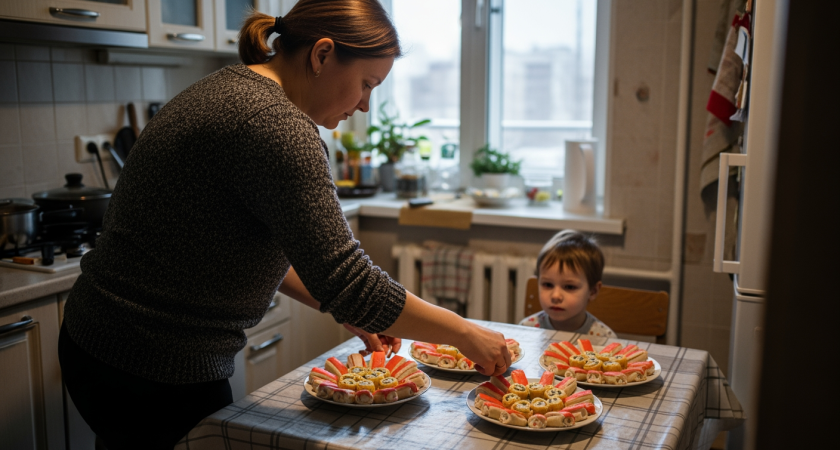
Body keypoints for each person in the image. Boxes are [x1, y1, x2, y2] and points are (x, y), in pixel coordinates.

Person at [58, 1, 510, 448]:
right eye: (366, 84)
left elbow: (279, 253)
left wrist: (346, 307)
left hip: (107, 345)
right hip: (149, 361)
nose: (366, 106)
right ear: (322, 55)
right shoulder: (275, 124)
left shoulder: (237, 91)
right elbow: (348, 279)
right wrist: (466, 333)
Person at [519, 230, 615, 337]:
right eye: (548, 285)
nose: (556, 296)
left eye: (569, 287)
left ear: (593, 291)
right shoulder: (526, 329)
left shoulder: (604, 338)